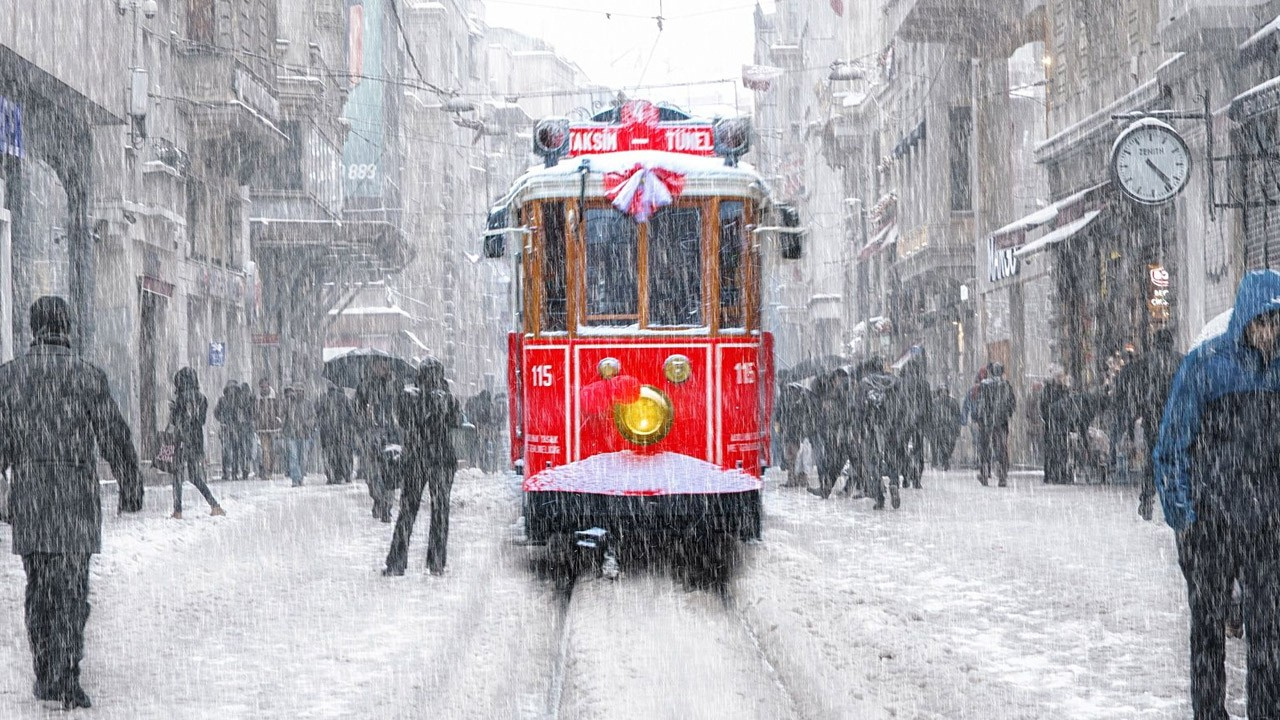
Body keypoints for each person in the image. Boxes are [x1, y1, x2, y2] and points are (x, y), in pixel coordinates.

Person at [0, 296, 144, 709]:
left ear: (33, 328)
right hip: (76, 500)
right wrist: (130, 485)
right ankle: (67, 673)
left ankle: (46, 670)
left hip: (31, 498)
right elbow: (115, 435)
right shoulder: (87, 376)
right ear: (68, 327)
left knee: (39, 587)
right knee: (71, 590)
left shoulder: (9, 378)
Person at [1154, 270, 1280, 719]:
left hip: (1268, 528)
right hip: (1212, 525)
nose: (1270, 332)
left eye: (1277, 322)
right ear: (1246, 318)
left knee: (1270, 634)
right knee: (1207, 634)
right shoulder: (1206, 366)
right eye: (1263, 321)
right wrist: (1184, 520)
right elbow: (1172, 448)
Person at [385, 358, 461, 576]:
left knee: (413, 511)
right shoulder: (413, 396)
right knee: (434, 511)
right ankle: (433, 562)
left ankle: (399, 563)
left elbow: (454, 420)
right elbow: (405, 419)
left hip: (425, 459)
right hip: (431, 459)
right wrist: (425, 404)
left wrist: (441, 404)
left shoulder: (444, 396)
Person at [1115, 329, 1183, 520]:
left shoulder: (1145, 362)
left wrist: (1133, 418)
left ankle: (1146, 500)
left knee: (1152, 460)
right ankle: (1175, 498)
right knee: (1175, 458)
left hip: (1152, 417)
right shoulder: (1180, 361)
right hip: (1174, 418)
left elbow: (1136, 393)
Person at [168, 367, 224, 519]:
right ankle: (214, 505)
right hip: (196, 439)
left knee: (177, 474)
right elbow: (201, 421)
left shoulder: (179, 399)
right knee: (195, 476)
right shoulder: (202, 398)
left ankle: (178, 510)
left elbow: (175, 421)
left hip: (181, 439)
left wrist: (174, 411)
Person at [854, 357, 907, 510]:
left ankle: (879, 498)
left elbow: (858, 409)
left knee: (872, 463)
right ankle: (894, 483)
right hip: (890, 427)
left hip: (870, 427)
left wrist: (858, 428)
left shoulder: (865, 383)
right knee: (892, 459)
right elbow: (902, 406)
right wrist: (898, 424)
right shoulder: (895, 381)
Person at [355, 358, 402, 522]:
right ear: (373, 367)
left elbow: (401, 408)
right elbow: (357, 409)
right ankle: (378, 499)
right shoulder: (365, 385)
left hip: (391, 435)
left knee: (390, 471)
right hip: (371, 433)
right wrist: (364, 418)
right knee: (372, 473)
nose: (381, 368)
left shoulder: (395, 385)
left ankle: (386, 506)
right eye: (378, 365)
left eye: (384, 365)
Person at [973, 362, 1017, 487]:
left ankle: (984, 473)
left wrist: (980, 418)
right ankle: (1002, 476)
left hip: (987, 422)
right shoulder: (1006, 385)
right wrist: (1006, 414)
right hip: (1001, 422)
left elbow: (981, 404)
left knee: (985, 448)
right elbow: (1012, 404)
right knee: (1001, 449)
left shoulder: (985, 385)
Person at [774, 382, 816, 488]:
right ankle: (797, 479)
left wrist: (779, 429)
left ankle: (794, 479)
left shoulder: (788, 398)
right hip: (795, 432)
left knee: (793, 456)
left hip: (792, 431)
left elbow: (778, 415)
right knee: (797, 456)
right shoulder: (802, 397)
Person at [1039, 370, 1075, 485]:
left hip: (1059, 426)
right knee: (1054, 451)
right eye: (1059, 377)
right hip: (1054, 426)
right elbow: (1044, 408)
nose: (1060, 379)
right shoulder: (1051, 391)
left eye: (1061, 377)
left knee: (1061, 451)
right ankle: (1053, 474)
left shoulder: (1062, 391)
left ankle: (1058, 474)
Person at [315, 383, 356, 484]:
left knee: (329, 455)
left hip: (326, 432)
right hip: (342, 431)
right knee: (343, 453)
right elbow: (352, 415)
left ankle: (331, 476)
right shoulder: (344, 398)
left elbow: (317, 413)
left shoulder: (323, 399)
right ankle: (344, 473)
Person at [281, 386, 314, 487]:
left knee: (302, 458)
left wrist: (307, 424)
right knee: (293, 457)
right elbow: (283, 416)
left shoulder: (308, 403)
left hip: (305, 434)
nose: (298, 393)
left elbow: (313, 417)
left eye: (301, 391)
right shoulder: (289, 403)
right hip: (291, 434)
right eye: (297, 391)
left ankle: (301, 477)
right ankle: (295, 478)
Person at [213, 382, 246, 482]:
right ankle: (226, 472)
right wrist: (223, 420)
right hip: (226, 428)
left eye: (234, 388)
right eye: (230, 388)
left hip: (237, 429)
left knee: (236, 451)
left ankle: (235, 472)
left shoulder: (239, 400)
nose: (232, 391)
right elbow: (216, 413)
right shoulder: (222, 400)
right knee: (226, 451)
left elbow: (243, 413)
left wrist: (240, 421)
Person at [927, 385, 961, 470]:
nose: (943, 394)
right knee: (938, 445)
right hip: (938, 427)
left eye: (945, 391)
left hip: (948, 427)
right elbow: (930, 415)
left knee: (948, 446)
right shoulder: (934, 403)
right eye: (941, 391)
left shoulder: (952, 402)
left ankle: (944, 460)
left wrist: (956, 428)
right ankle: (939, 461)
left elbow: (957, 416)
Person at [254, 378, 281, 479]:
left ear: (269, 386)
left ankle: (270, 469)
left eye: (265, 386)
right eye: (262, 387)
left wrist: (277, 419)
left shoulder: (275, 397)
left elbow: (280, 410)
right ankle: (266, 471)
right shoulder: (257, 398)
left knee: (273, 450)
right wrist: (256, 422)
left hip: (274, 428)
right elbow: (254, 412)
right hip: (262, 428)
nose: (264, 389)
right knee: (265, 451)